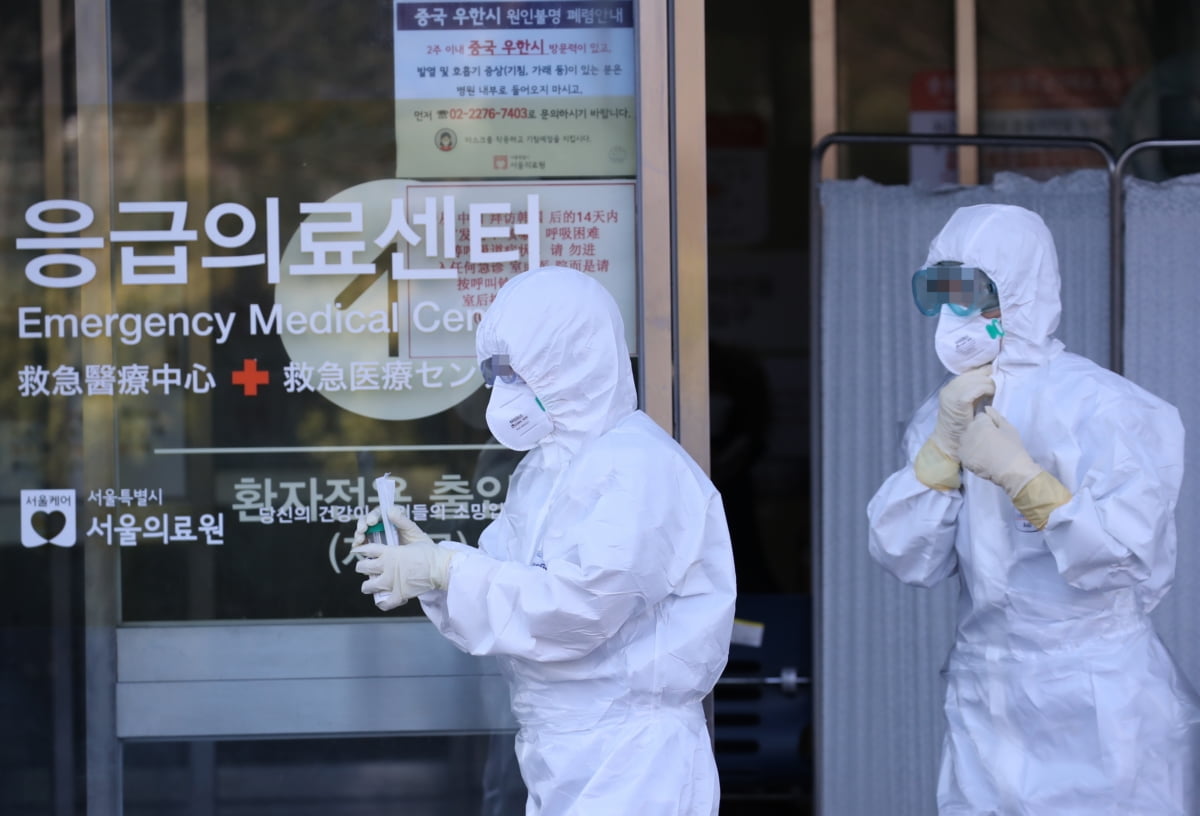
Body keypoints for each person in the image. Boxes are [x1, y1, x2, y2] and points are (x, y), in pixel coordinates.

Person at [351, 265, 738, 815]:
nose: (503, 391)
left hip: (634, 761)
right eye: (497, 374)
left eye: (517, 372)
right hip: (562, 752)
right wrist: (428, 564)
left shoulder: (639, 467)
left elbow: (580, 609)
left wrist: (445, 570)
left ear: (570, 361)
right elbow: (512, 584)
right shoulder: (545, 470)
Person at [867, 203, 1198, 814]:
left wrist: (1025, 479)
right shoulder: (944, 410)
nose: (951, 314)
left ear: (1019, 291)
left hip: (1098, 699)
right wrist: (940, 454)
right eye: (939, 293)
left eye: (969, 293)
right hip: (988, 692)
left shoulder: (1108, 408)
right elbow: (905, 556)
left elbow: (1127, 559)